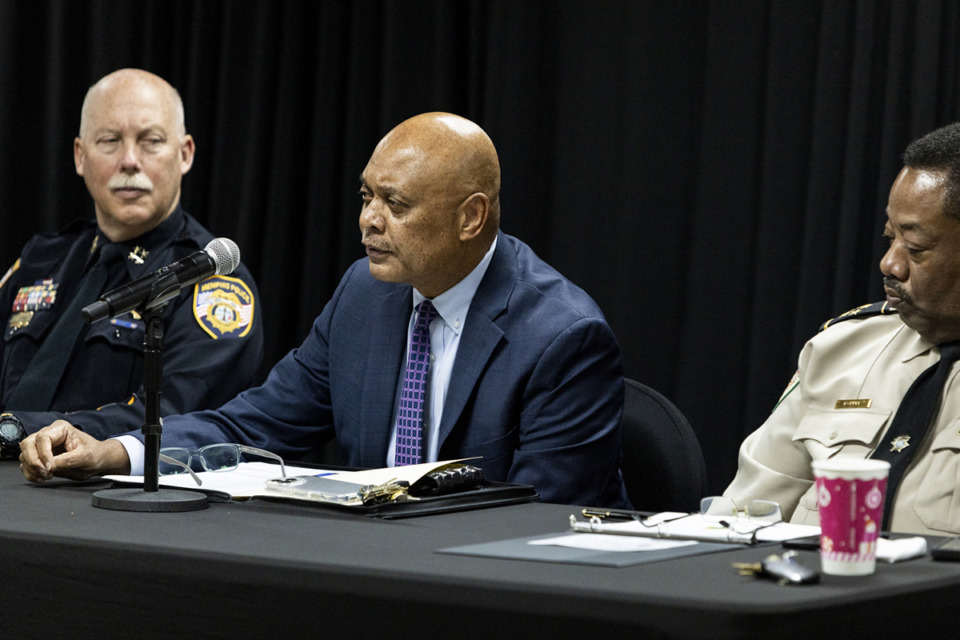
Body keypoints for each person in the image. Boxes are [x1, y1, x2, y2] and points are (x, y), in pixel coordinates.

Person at [19, 112, 630, 508]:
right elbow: (251, 424)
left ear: (470, 217)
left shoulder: (563, 337)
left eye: (395, 203)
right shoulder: (365, 296)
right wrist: (116, 451)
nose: (367, 220)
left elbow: (539, 519)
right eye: (366, 196)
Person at [0, 69, 263, 451]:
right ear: (80, 156)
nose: (129, 161)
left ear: (185, 153)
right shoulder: (43, 257)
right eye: (109, 141)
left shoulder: (210, 279)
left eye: (150, 141)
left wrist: (18, 428)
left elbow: (173, 415)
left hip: (106, 496)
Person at [724, 122, 960, 535]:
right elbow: (738, 519)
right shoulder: (841, 349)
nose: (890, 264)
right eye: (889, 240)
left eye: (916, 248)